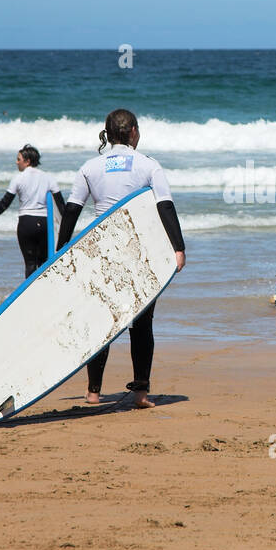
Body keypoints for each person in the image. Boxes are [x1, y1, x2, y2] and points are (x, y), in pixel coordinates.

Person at [54, 109, 186, 409]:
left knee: (101, 320)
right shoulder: (148, 165)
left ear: (108, 133)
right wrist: (178, 248)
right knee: (142, 324)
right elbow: (165, 206)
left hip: (101, 252)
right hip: (138, 253)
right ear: (134, 131)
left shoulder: (90, 167)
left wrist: (61, 251)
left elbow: (72, 210)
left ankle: (93, 392)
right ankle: (140, 394)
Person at [0, 144, 64, 278]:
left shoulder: (18, 178)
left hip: (26, 223)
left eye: (18, 159)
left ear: (27, 161)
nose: (16, 162)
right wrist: (67, 227)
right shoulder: (48, 178)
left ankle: (31, 296)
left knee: (30, 264)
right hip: (45, 223)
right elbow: (61, 205)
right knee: (44, 263)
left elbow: (5, 203)